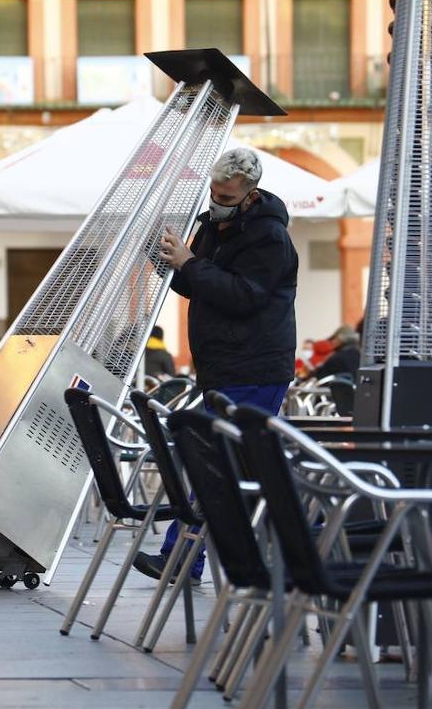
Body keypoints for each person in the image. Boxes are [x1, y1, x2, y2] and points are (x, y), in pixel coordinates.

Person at [134, 147, 298, 585]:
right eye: (213, 190)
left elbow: (244, 295)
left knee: (218, 461)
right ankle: (192, 558)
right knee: (221, 462)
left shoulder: (269, 237)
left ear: (249, 194)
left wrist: (190, 262)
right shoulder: (216, 225)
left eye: (225, 194)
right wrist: (165, 256)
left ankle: (185, 557)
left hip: (256, 366)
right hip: (223, 365)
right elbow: (198, 282)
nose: (216, 199)